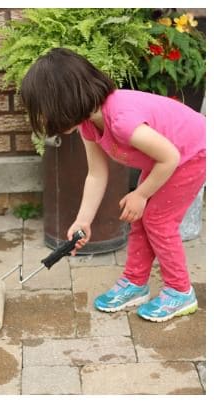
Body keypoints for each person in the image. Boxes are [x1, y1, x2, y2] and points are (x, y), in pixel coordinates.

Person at [21, 48, 205, 322]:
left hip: (193, 153)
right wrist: (83, 221)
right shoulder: (88, 124)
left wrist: (141, 194)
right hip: (166, 161)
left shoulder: (121, 121)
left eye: (47, 112)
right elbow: (96, 174)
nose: (47, 120)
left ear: (67, 101)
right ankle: (135, 282)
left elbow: (170, 157)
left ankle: (180, 291)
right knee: (142, 219)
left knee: (157, 220)